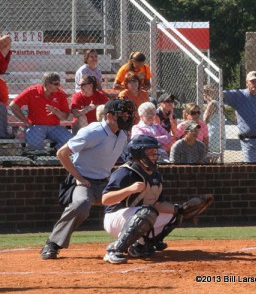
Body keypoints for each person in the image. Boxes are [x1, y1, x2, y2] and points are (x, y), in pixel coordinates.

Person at [40, 98, 135, 259]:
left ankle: (136, 243)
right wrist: (78, 177)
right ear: (111, 116)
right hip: (84, 180)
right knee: (81, 204)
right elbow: (62, 153)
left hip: (105, 182)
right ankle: (52, 244)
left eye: (128, 113)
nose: (127, 117)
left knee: (135, 199)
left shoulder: (123, 134)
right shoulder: (93, 131)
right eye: (123, 114)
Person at [102, 135, 181, 263]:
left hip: (138, 214)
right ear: (138, 153)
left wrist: (180, 209)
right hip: (115, 217)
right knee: (147, 212)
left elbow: (158, 204)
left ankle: (141, 246)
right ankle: (114, 250)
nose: (154, 156)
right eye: (150, 152)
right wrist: (129, 189)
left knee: (174, 214)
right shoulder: (125, 172)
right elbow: (105, 199)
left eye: (155, 152)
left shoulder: (155, 174)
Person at [9, 72, 73, 151]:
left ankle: (54, 153)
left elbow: (65, 117)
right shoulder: (32, 91)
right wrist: (26, 122)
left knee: (70, 140)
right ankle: (40, 158)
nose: (59, 86)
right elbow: (13, 105)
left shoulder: (60, 94)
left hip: (55, 127)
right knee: (34, 141)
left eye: (59, 83)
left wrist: (56, 112)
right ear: (47, 84)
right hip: (36, 126)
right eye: (56, 84)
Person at [223, 71, 256, 163]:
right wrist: (210, 91)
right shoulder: (239, 95)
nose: (255, 84)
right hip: (248, 141)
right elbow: (221, 95)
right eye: (252, 81)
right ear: (247, 83)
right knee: (252, 168)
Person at [203, 85, 224, 153]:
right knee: (214, 158)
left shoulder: (212, 104)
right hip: (220, 133)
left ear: (205, 94)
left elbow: (206, 120)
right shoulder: (219, 103)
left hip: (212, 134)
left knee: (208, 157)